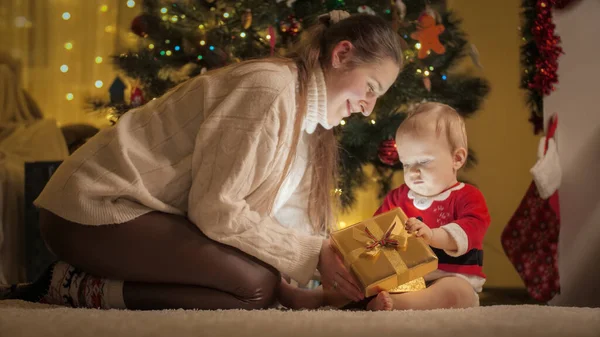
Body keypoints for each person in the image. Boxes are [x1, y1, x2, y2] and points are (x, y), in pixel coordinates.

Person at [0, 10, 403, 310]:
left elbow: (271, 221)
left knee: (263, 282)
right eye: (371, 87)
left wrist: (322, 266)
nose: (368, 108)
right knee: (254, 287)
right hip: (94, 209)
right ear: (342, 53)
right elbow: (216, 210)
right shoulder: (271, 90)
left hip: (146, 216)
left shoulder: (306, 121)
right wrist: (312, 255)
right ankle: (67, 285)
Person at [278, 102, 491, 311]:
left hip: (449, 276)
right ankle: (315, 297)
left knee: (457, 292)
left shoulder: (467, 196)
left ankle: (400, 305)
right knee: (359, 280)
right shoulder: (398, 197)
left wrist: (433, 236)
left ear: (457, 159)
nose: (414, 172)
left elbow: (471, 229)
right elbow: (375, 230)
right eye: (407, 164)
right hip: (401, 278)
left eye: (424, 162)